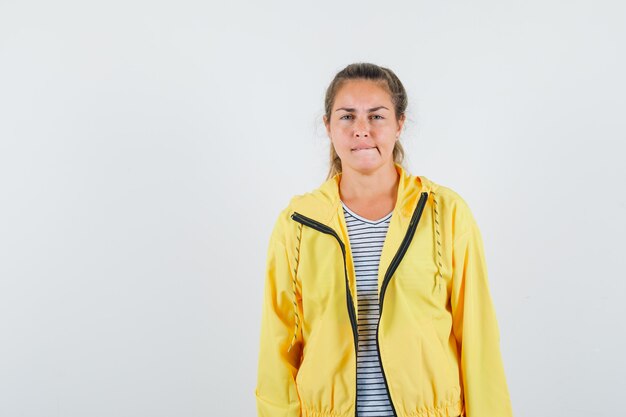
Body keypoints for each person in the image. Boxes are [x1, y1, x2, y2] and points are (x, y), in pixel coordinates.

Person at [254, 62, 513, 417]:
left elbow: (478, 340)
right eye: (347, 117)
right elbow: (277, 350)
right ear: (328, 126)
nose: (362, 130)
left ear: (399, 124)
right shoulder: (298, 223)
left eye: (376, 116)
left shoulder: (446, 213)